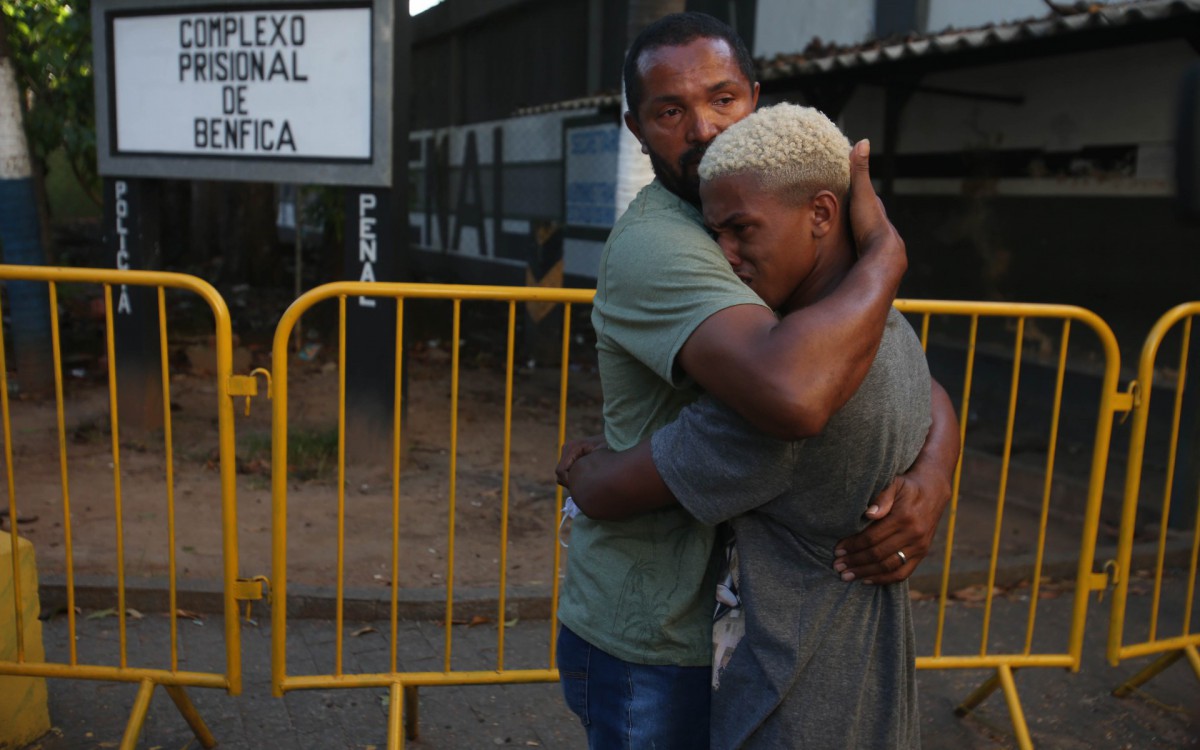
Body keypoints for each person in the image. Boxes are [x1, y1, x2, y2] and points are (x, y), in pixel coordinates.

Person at [554, 12, 958, 748]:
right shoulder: (666, 245)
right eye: (670, 111)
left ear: (755, 97)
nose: (704, 129)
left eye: (723, 99)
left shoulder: (770, 220)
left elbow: (904, 376)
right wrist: (884, 257)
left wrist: (931, 473)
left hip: (741, 636)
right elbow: (796, 395)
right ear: (636, 129)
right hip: (656, 639)